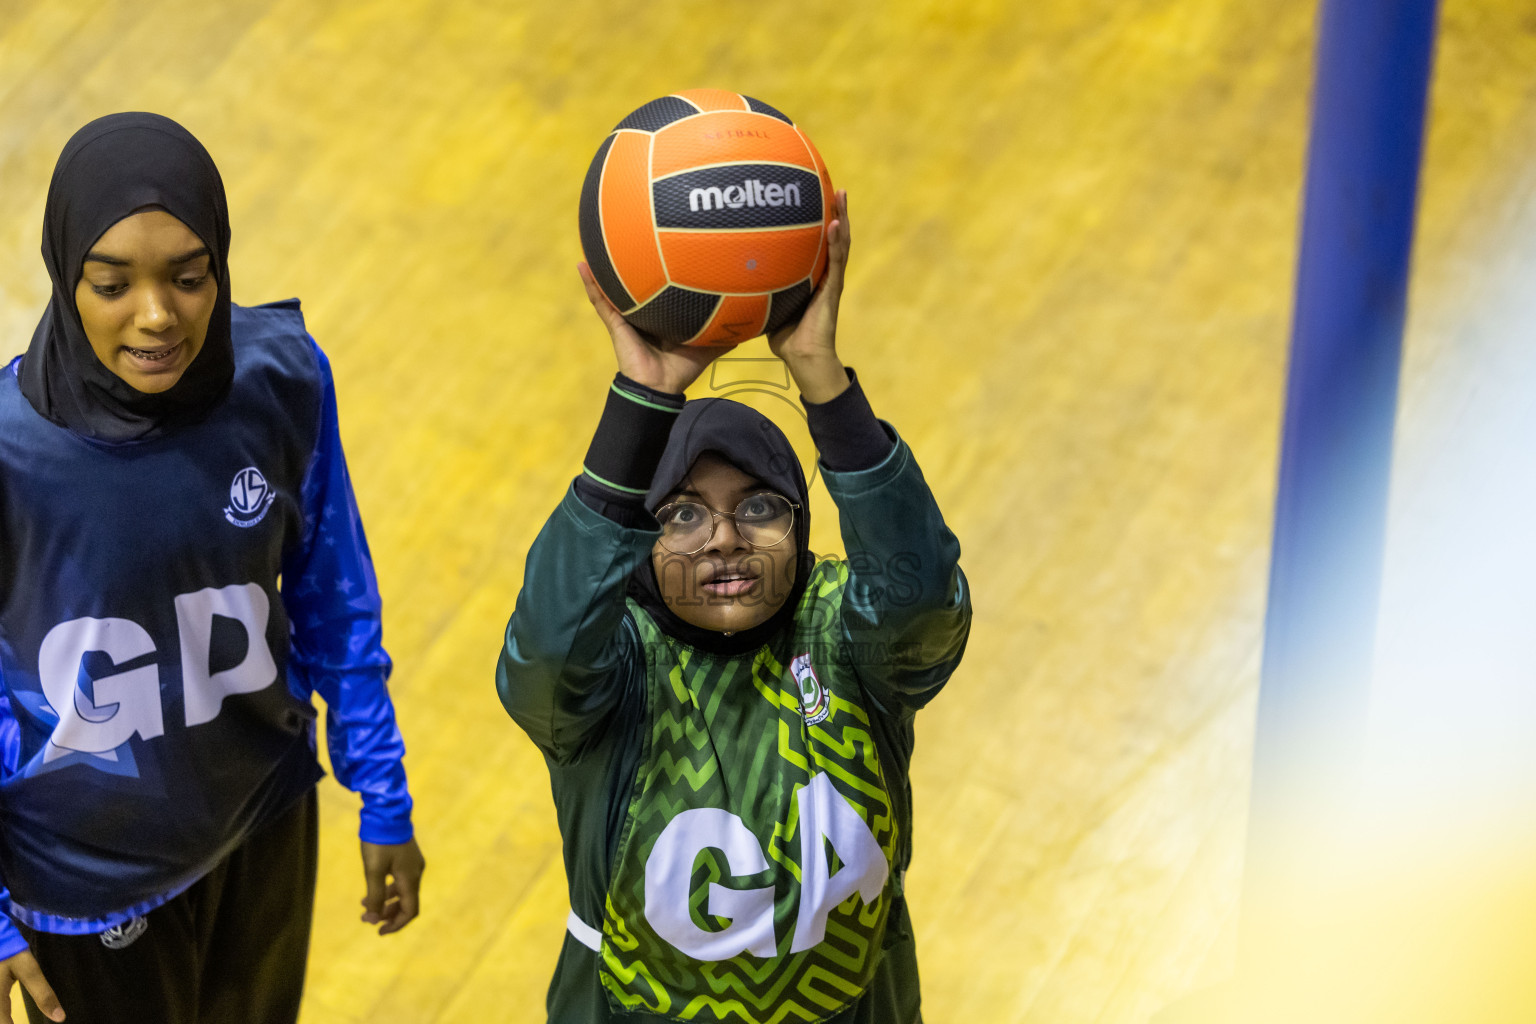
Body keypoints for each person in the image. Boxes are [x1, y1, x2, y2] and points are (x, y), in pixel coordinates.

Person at [497, 191, 971, 1023]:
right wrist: (640, 402)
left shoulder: (843, 637)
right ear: (637, 543)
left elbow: (922, 600)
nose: (724, 539)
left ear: (801, 522)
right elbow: (546, 651)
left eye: (759, 506)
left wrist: (823, 380)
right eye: (681, 513)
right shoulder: (618, 671)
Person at [0, 113, 424, 1024]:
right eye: (112, 284)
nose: (157, 315)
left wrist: (381, 798)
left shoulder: (282, 379)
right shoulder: (7, 452)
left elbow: (332, 598)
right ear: (64, 272)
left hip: (260, 820)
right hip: (84, 885)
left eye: (190, 279)